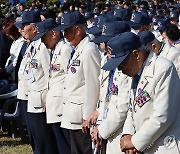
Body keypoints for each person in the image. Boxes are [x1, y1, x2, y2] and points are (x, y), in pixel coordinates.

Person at [102, 32, 180, 154]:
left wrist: (135, 142)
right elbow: (132, 109)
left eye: (121, 64)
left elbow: (163, 116)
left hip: (163, 146)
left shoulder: (163, 69)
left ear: (136, 55)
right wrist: (127, 135)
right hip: (143, 146)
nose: (119, 70)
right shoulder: (134, 72)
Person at [57, 11, 101, 153]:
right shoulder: (78, 49)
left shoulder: (89, 50)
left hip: (82, 119)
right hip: (73, 115)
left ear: (78, 30)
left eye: (67, 31)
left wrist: (87, 116)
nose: (64, 35)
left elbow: (92, 85)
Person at [17, 10, 58, 154]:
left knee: (44, 141)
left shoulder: (43, 47)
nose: (21, 29)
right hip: (31, 98)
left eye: (24, 26)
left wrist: (48, 98)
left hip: (41, 101)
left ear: (34, 28)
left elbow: (49, 75)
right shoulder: (31, 46)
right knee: (36, 140)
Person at [33, 18, 72, 154]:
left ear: (53, 34)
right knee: (59, 144)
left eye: (43, 37)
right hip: (54, 105)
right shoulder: (55, 50)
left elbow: (70, 78)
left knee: (65, 146)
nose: (42, 41)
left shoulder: (65, 49)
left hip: (62, 106)